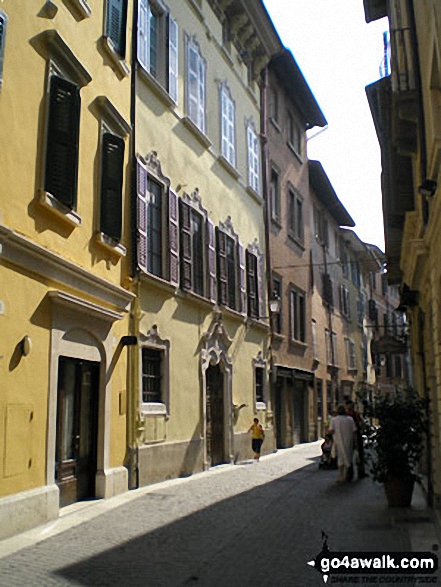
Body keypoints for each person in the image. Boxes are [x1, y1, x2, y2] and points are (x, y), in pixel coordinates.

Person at [329, 405, 357, 482]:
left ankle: (340, 476)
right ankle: (345, 474)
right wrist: (355, 441)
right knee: (348, 457)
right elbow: (354, 431)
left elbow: (330, 430)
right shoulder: (350, 419)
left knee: (340, 458)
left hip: (339, 441)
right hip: (349, 441)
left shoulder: (334, 420)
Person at [345, 399, 367, 479]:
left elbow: (361, 423)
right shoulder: (354, 414)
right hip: (355, 435)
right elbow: (361, 423)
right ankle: (360, 472)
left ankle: (350, 473)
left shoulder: (348, 415)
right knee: (359, 454)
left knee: (349, 454)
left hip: (350, 436)